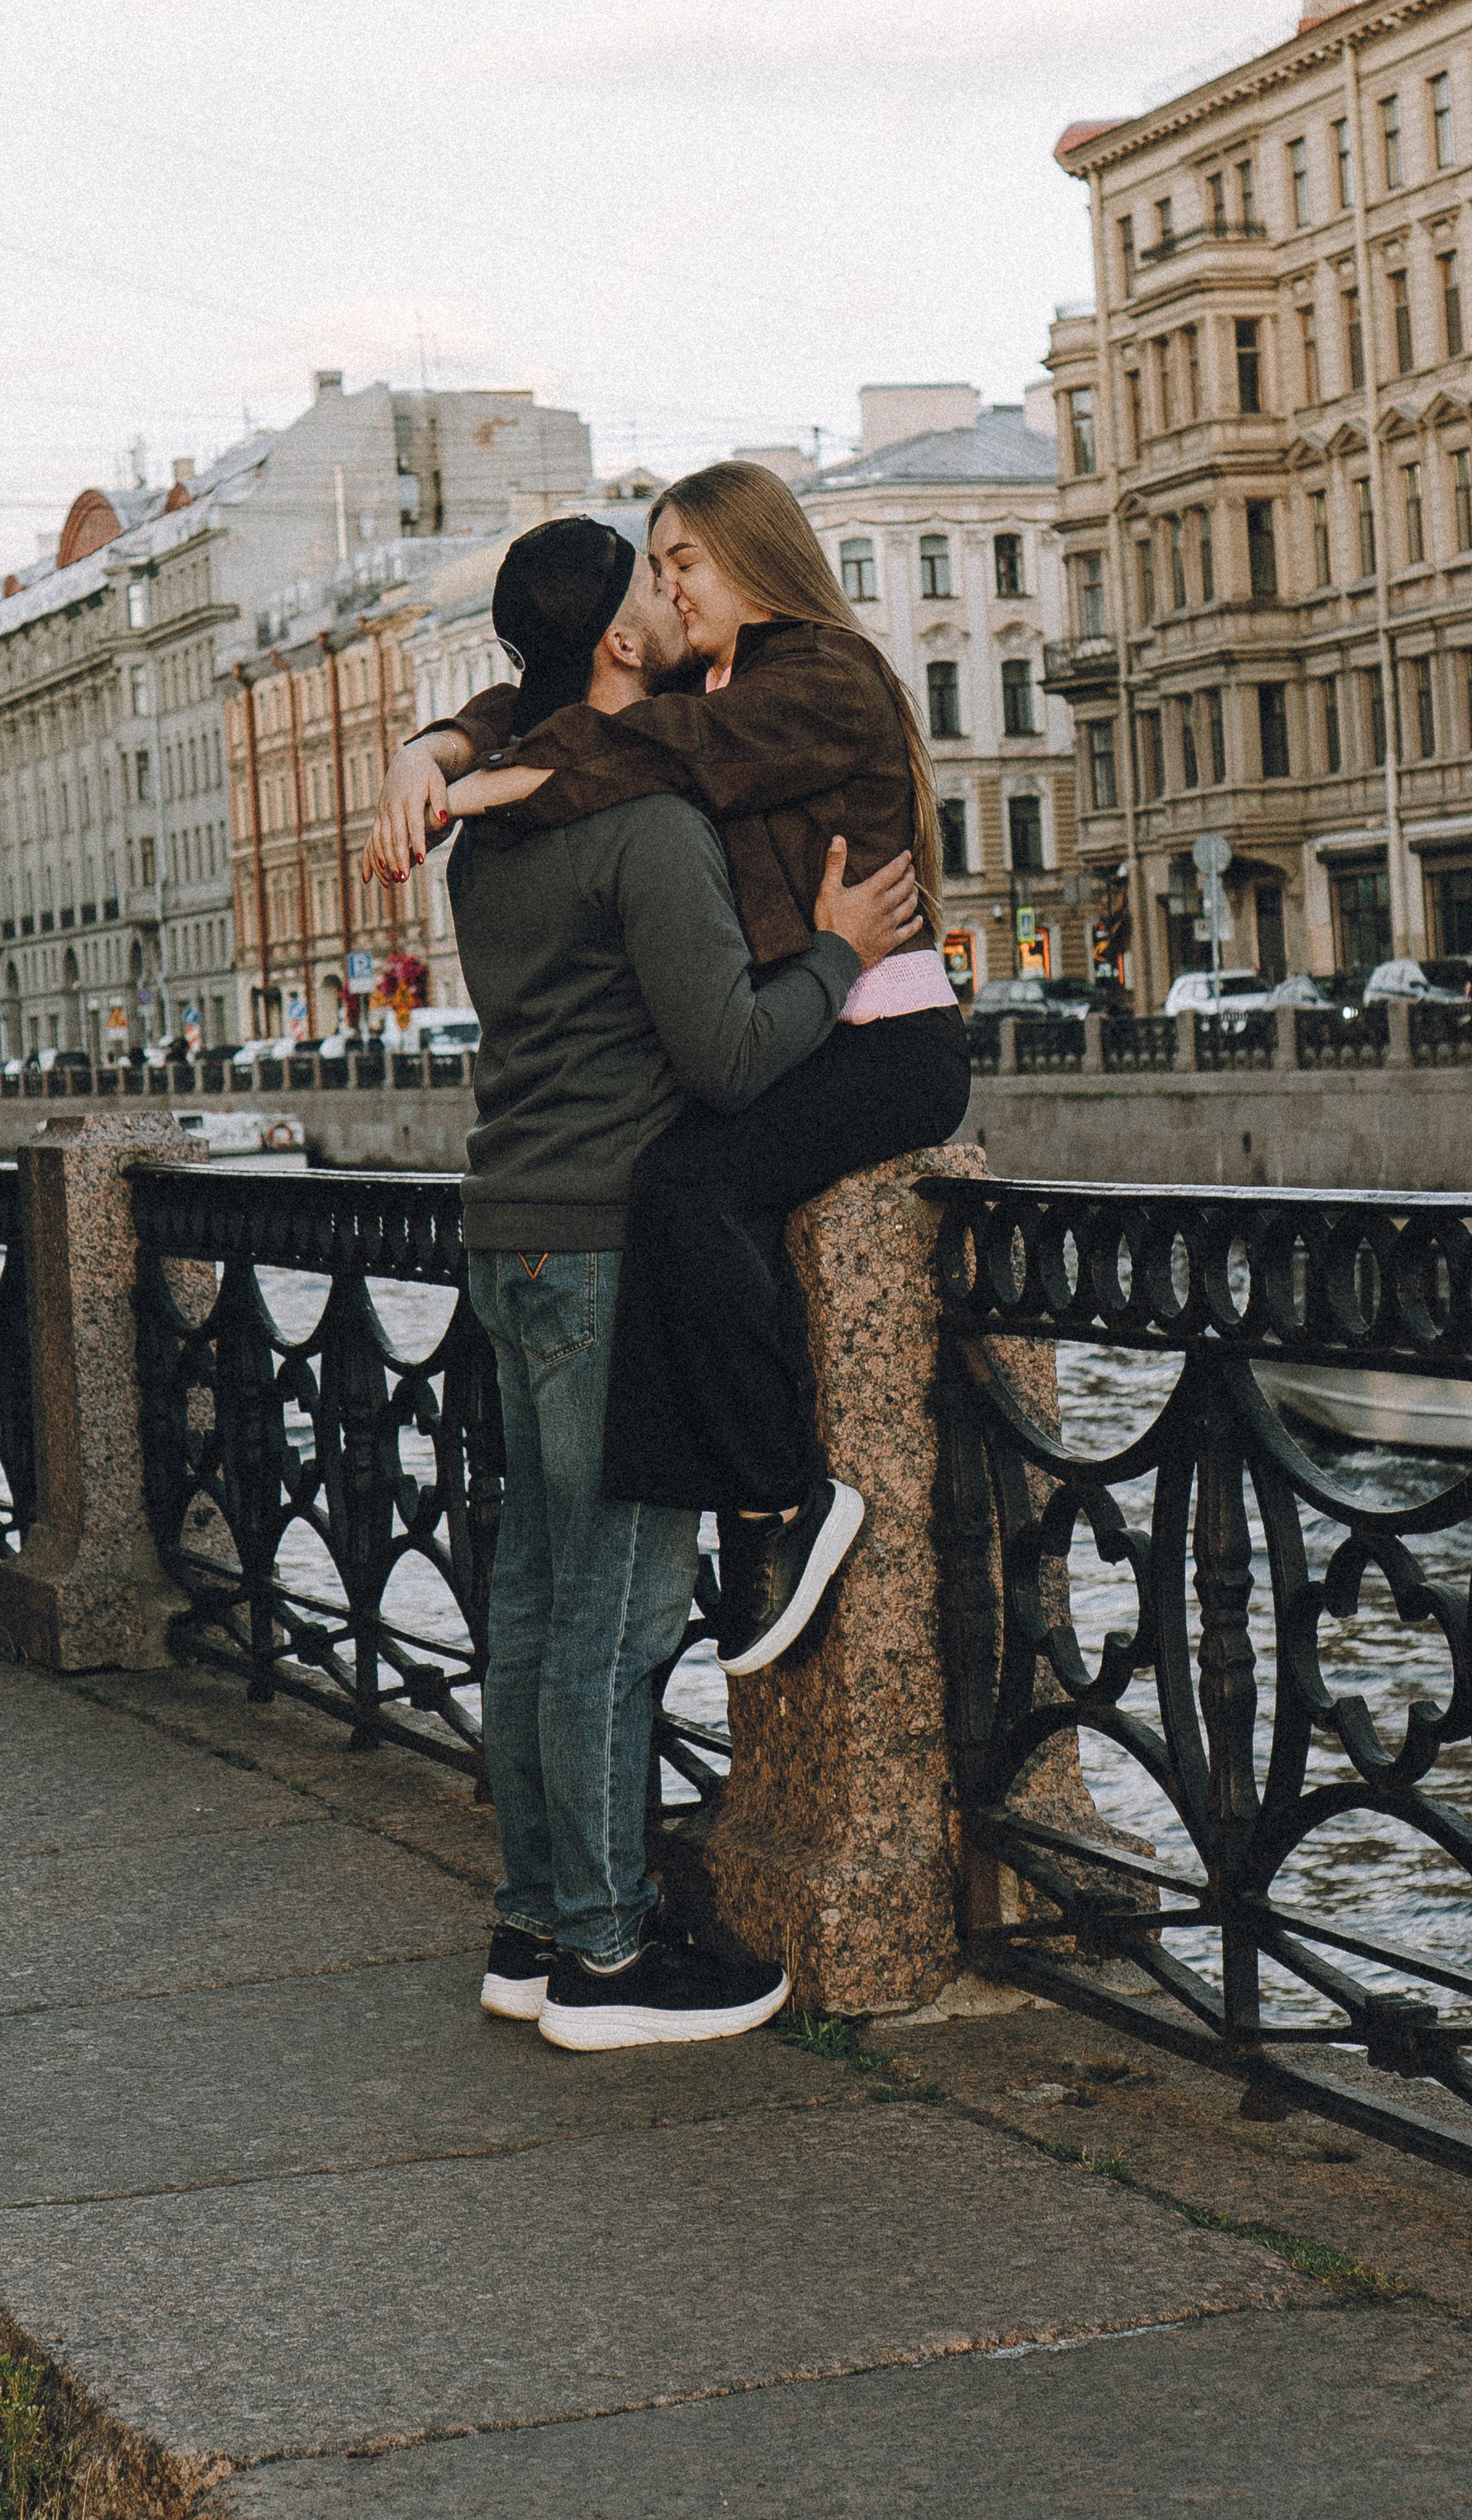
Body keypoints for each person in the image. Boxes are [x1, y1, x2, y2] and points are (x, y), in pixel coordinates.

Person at [370, 461, 971, 1678]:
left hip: (893, 1040)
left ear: (755, 562)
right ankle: (746, 1501)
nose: (668, 590)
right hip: (821, 1023)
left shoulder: (828, 679)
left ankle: (784, 1501)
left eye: (682, 564)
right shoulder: (725, 668)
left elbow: (654, 746)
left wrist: (470, 788)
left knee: (692, 1188)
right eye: (657, 568)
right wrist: (426, 747)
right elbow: (555, 688)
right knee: (679, 1187)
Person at [449, 514, 922, 2048]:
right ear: (614, 639)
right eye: (653, 582)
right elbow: (723, 1053)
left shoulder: (494, 827)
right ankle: (604, 1956)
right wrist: (840, 955)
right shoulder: (643, 824)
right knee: (621, 1603)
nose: (674, 595)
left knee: (531, 1598)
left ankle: (530, 1927)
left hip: (506, 1225)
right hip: (603, 1243)